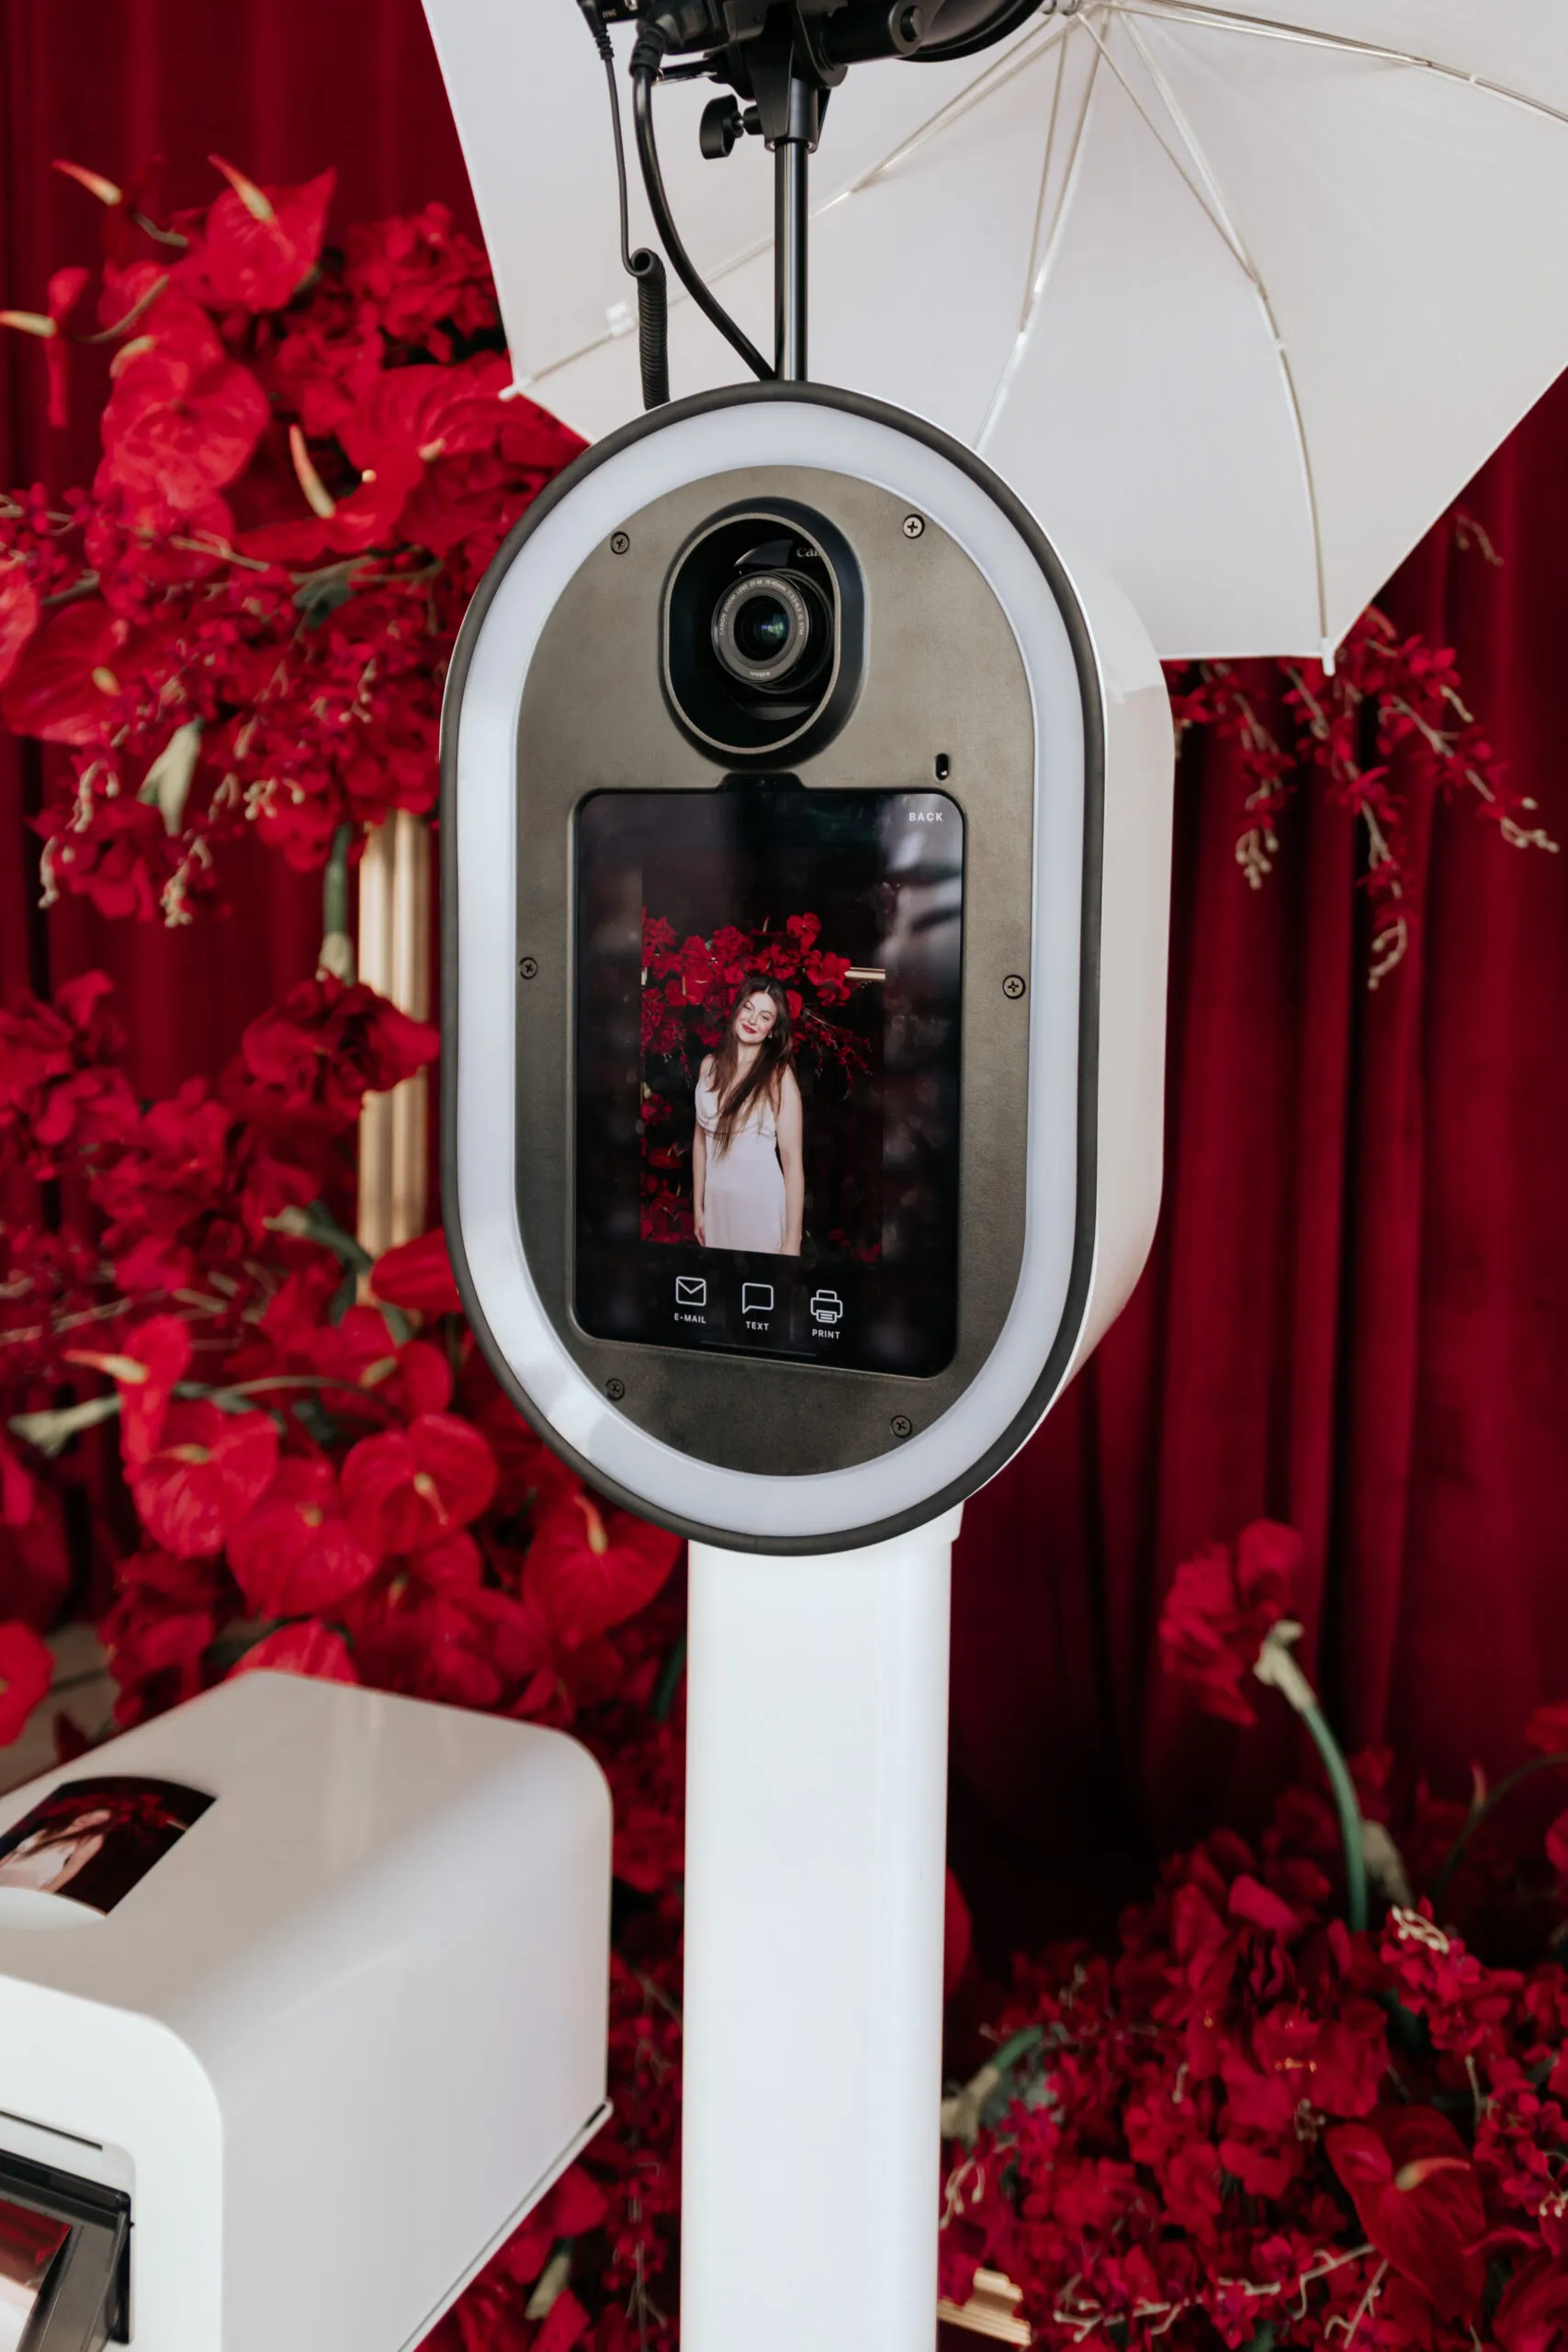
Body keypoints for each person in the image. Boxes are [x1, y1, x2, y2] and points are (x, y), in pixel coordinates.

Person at [693, 976, 804, 1254]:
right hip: (718, 1205)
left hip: (760, 1206)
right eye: (748, 1008)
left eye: (764, 1016)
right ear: (737, 1010)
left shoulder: (779, 1077)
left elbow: (792, 1164)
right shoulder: (708, 1066)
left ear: (771, 1030)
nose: (753, 1020)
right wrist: (698, 1207)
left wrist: (793, 1241)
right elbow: (700, 1142)